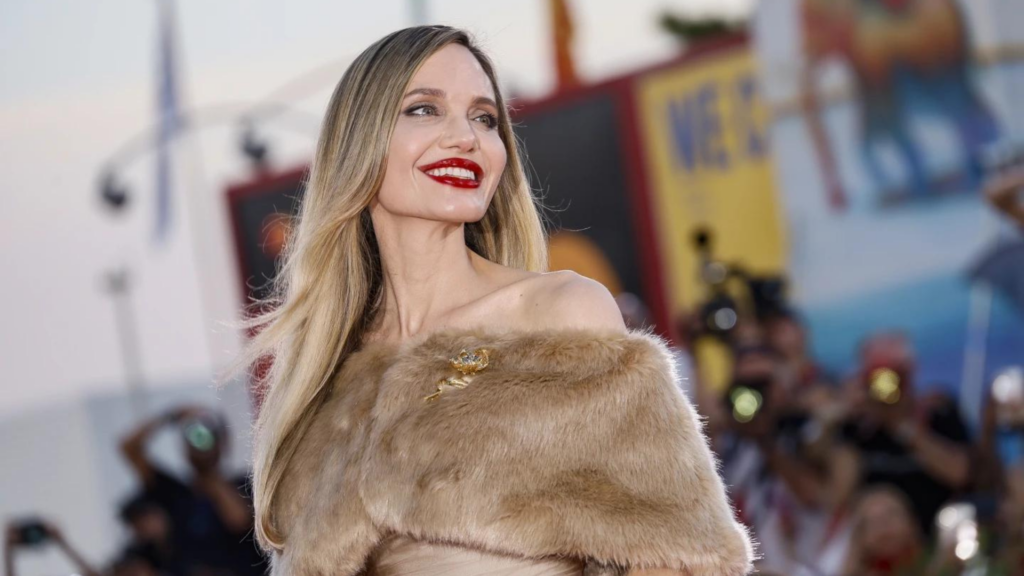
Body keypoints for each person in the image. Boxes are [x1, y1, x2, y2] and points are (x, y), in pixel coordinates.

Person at [226, 25, 755, 576]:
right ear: (360, 140)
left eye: (484, 118)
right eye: (424, 110)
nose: (466, 137)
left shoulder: (557, 316)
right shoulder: (323, 377)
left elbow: (684, 560)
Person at [837, 332, 972, 537]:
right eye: (876, 379)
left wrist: (901, 427)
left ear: (909, 375)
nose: (885, 388)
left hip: (934, 537)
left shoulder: (938, 414)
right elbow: (835, 497)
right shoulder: (857, 426)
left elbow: (960, 474)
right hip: (876, 540)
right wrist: (833, 417)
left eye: (893, 377)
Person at [119, 406, 265, 576]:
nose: (200, 442)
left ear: (221, 444)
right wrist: (171, 415)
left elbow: (240, 521)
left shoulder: (245, 484)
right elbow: (129, 447)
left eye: (207, 436)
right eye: (193, 438)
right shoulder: (175, 494)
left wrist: (209, 473)